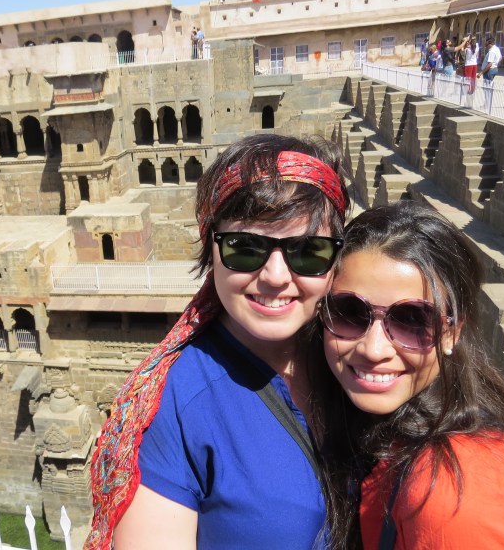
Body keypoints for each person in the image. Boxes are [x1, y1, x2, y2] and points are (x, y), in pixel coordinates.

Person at [84, 134, 350, 550]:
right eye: (246, 248)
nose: (276, 276)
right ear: (212, 250)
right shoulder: (174, 406)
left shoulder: (360, 355)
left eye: (307, 251)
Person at [314, 202, 504, 549]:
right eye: (349, 312)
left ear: (452, 332)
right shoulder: (383, 434)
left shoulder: (454, 494)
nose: (374, 348)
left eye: (412, 320)